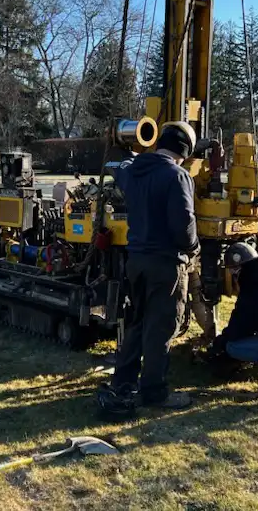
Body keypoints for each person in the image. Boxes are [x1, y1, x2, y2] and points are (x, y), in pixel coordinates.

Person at [97, 121, 199, 418]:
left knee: (136, 323)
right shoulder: (177, 176)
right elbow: (184, 225)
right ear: (186, 150)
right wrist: (192, 247)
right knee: (161, 327)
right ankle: (154, 393)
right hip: (165, 263)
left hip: (136, 260)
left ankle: (124, 381)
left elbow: (122, 162)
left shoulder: (133, 171)